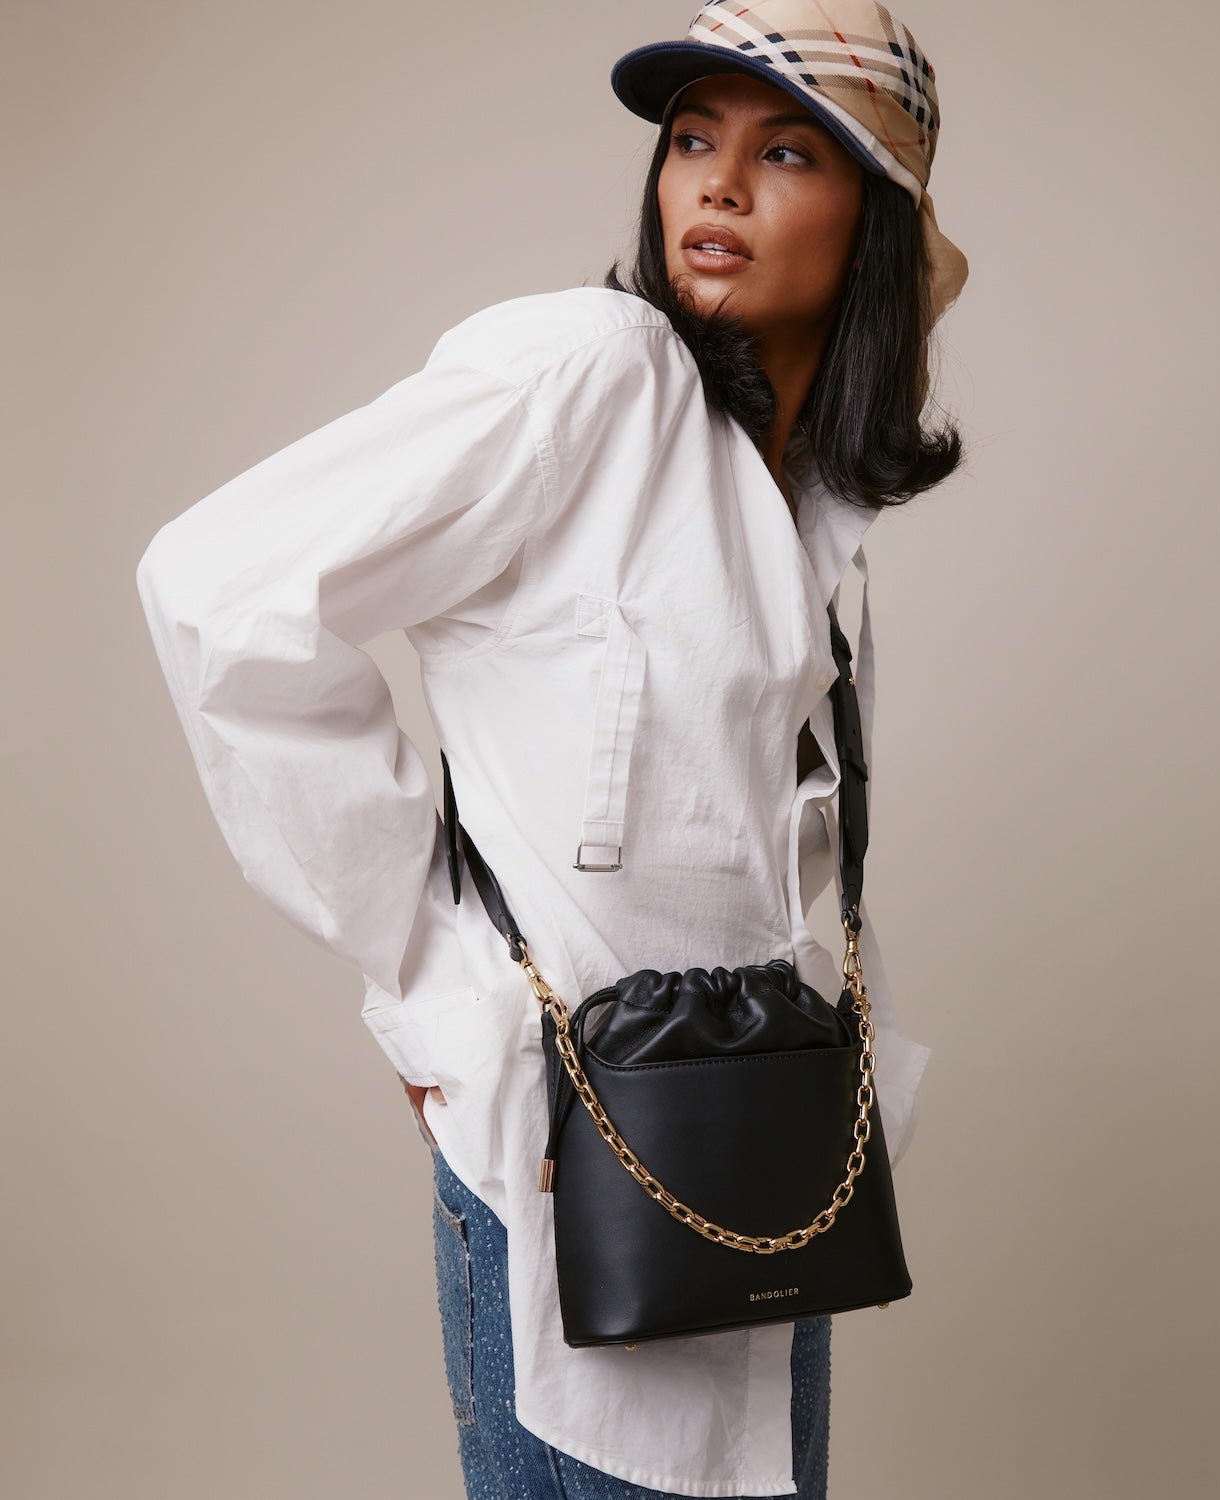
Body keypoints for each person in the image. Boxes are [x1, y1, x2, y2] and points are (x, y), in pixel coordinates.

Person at [134, 2, 968, 1495]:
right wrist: (428, 980)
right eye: (692, 140)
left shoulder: (811, 501)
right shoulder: (595, 376)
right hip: (563, 1168)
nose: (718, 184)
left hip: (773, 1173)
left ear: (877, 219)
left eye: (787, 152)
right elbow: (218, 589)